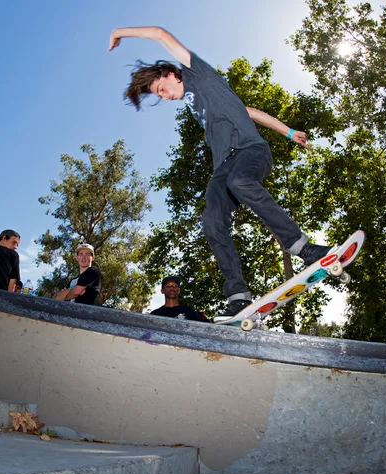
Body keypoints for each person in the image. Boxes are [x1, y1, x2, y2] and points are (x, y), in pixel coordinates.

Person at [109, 26, 332, 321]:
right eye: (158, 96)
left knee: (240, 180)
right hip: (223, 168)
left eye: (162, 89)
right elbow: (249, 111)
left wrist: (119, 32)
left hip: (251, 151)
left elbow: (159, 34)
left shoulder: (199, 74)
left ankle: (303, 248)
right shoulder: (197, 105)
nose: (164, 96)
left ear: (173, 74)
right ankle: (238, 297)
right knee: (212, 222)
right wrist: (289, 131)